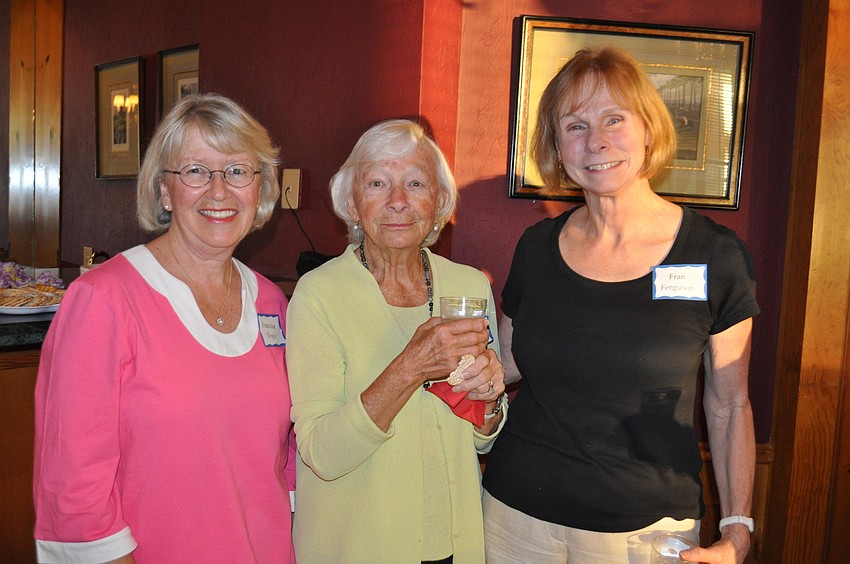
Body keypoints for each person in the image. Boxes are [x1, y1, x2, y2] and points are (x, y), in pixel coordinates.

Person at [482, 47, 759, 564]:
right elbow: (507, 365)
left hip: (644, 535)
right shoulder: (536, 247)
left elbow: (728, 405)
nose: (597, 141)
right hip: (513, 519)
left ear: (649, 129)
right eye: (575, 125)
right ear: (557, 147)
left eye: (614, 119)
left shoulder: (716, 256)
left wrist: (737, 528)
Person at [33, 93, 296, 563]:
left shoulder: (272, 304)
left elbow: (287, 461)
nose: (219, 191)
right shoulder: (103, 300)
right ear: (163, 190)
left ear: (261, 189)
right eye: (195, 171)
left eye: (237, 171)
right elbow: (71, 488)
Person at [286, 119, 507, 563]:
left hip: (455, 541)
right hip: (358, 545)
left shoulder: (467, 286)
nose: (398, 201)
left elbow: (483, 435)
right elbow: (322, 454)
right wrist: (411, 366)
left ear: (439, 201)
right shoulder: (319, 294)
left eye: (416, 183)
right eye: (377, 183)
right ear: (352, 201)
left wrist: (491, 401)